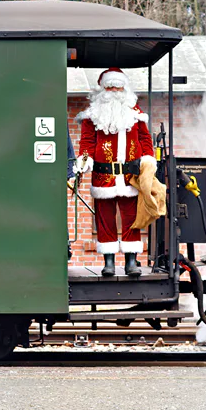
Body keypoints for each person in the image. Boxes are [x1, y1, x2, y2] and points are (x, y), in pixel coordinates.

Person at [75, 67, 156, 277]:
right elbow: (86, 144)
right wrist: (83, 163)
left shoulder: (136, 114)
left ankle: (131, 262)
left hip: (130, 177)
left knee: (131, 219)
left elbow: (145, 141)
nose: (114, 90)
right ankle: (108, 262)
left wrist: (148, 161)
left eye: (118, 86)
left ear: (124, 87)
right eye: (110, 86)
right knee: (105, 219)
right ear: (103, 88)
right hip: (103, 177)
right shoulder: (92, 115)